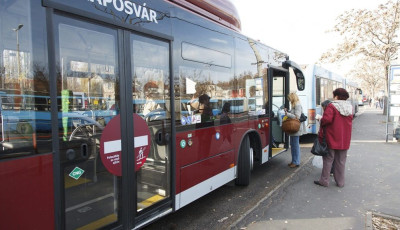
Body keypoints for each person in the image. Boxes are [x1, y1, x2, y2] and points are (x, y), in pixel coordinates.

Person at [314, 88, 353, 187]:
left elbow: (326, 120)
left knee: (328, 160)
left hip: (332, 137)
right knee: (341, 161)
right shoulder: (350, 107)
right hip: (344, 139)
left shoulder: (332, 106)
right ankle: (340, 182)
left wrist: (320, 118)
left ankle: (324, 180)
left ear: (336, 96)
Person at [285, 92, 306, 168]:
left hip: (296, 128)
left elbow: (297, 116)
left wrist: (288, 114)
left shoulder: (297, 105)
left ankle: (296, 161)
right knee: (293, 145)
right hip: (294, 128)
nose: (289, 100)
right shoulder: (295, 104)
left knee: (295, 145)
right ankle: (294, 160)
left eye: (290, 98)